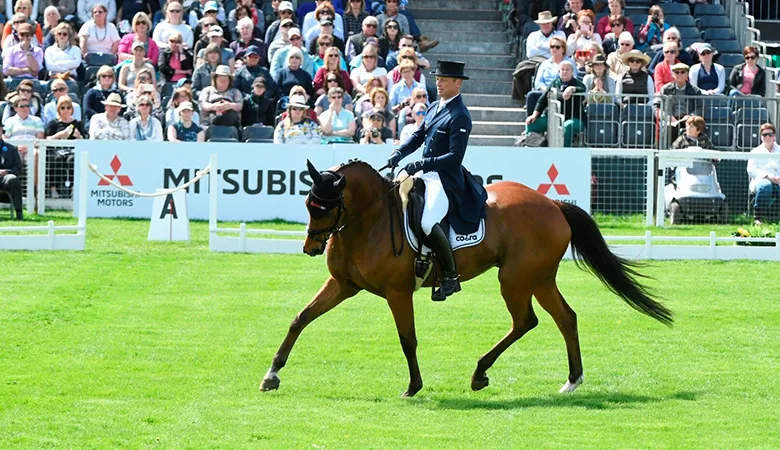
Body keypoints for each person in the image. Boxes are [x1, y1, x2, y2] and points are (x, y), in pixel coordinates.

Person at [387, 60, 487, 301]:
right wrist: (398, 153)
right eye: (437, 79)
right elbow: (418, 136)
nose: (438, 83)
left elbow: (454, 157)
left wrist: (420, 164)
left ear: (457, 83)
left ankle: (451, 276)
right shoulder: (433, 107)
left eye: (443, 79)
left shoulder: (460, 115)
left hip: (444, 179)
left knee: (428, 222)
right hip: (425, 174)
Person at [526, 60, 586, 147]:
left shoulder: (578, 83)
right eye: (562, 69)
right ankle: (530, 148)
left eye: (567, 70)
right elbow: (542, 100)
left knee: (567, 126)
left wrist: (572, 89)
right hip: (553, 118)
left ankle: (563, 152)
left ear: (572, 72)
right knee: (532, 123)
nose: (564, 71)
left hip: (574, 118)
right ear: (559, 71)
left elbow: (582, 89)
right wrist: (534, 115)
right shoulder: (554, 83)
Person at [44, 95, 84, 199]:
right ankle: (54, 189)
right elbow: (47, 139)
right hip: (56, 151)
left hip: (72, 151)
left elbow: (84, 141)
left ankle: (73, 189)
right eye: (63, 108)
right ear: (58, 109)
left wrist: (79, 136)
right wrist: (60, 134)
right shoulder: (53, 123)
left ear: (72, 109)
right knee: (56, 159)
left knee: (72, 160)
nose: (66, 110)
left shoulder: (78, 123)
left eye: (68, 107)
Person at [653, 63, 701, 143]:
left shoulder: (695, 90)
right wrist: (667, 117)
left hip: (688, 119)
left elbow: (700, 107)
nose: (680, 74)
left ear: (687, 74)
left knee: (693, 127)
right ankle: (666, 153)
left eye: (682, 72)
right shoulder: (665, 89)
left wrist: (691, 117)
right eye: (677, 72)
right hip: (671, 119)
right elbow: (656, 107)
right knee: (668, 128)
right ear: (672, 74)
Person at [747, 123, 780, 224]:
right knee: (765, 186)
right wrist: (768, 177)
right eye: (764, 135)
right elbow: (751, 170)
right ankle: (758, 217)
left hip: (778, 180)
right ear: (761, 137)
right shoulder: (755, 151)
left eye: (770, 134)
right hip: (761, 180)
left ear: (774, 136)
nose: (767, 137)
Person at [0, 139, 23, 220]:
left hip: (5, 177)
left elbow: (18, 168)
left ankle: (19, 214)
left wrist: (7, 171)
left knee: (13, 179)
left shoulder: (11, 148)